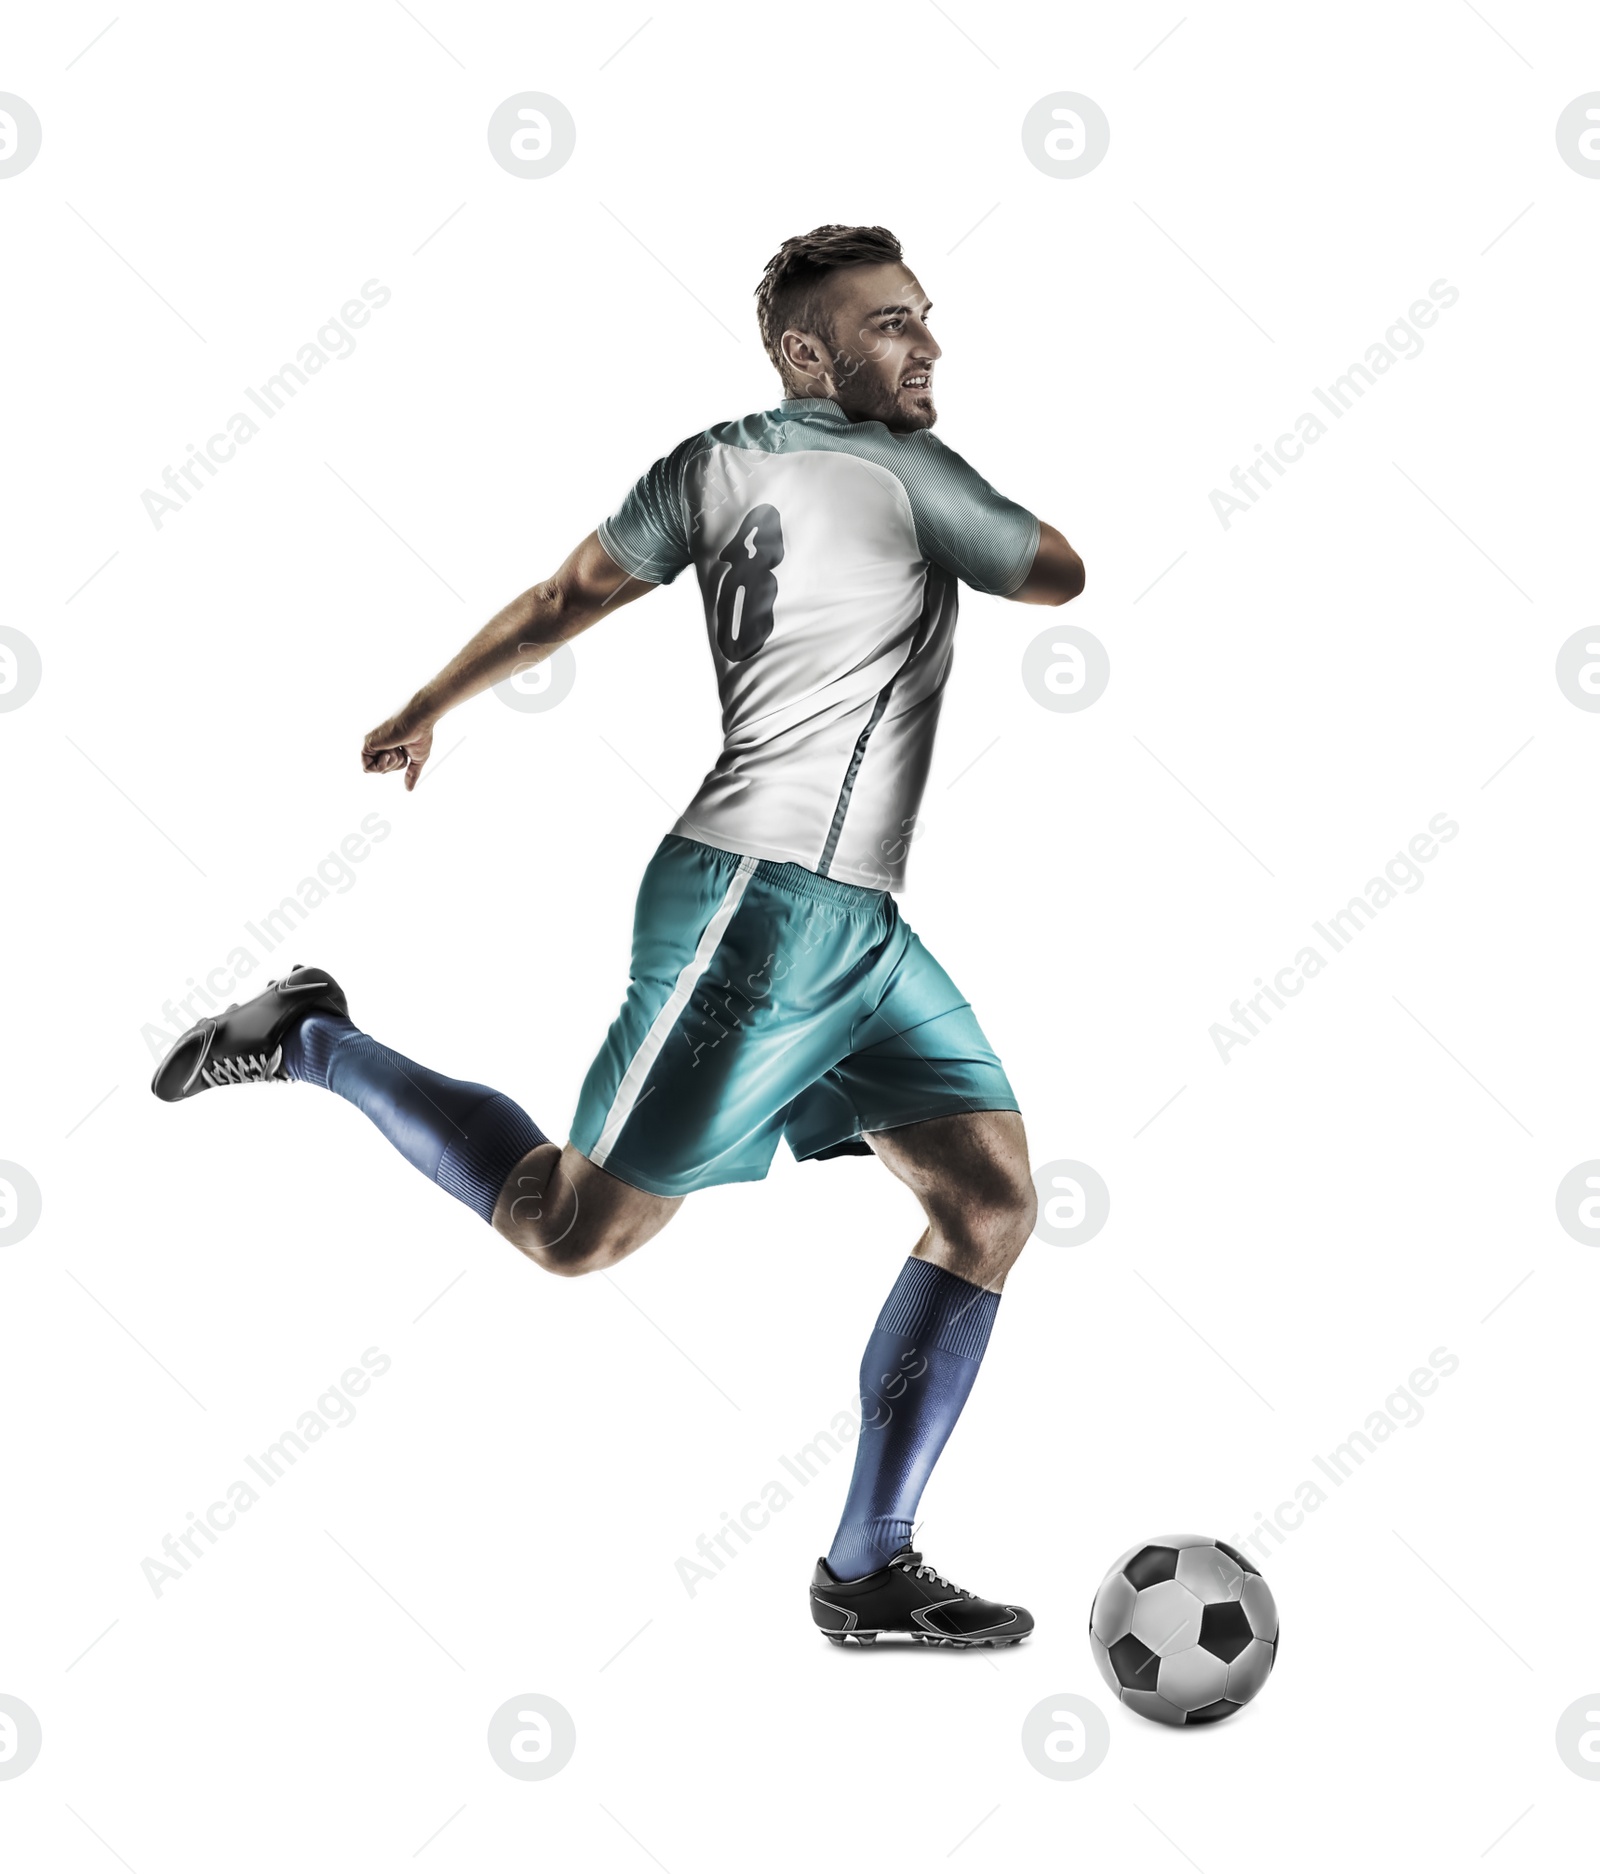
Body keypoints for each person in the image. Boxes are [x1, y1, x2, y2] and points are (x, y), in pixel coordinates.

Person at [152, 223, 1085, 1646]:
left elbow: (562, 597)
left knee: (992, 1203)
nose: (929, 344)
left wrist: (430, 703)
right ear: (806, 352)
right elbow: (1057, 571)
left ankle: (867, 1567)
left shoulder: (708, 464)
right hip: (754, 913)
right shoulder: (904, 472)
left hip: (855, 924)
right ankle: (315, 1037)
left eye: (926, 317)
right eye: (891, 323)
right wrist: (936, 486)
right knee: (571, 1232)